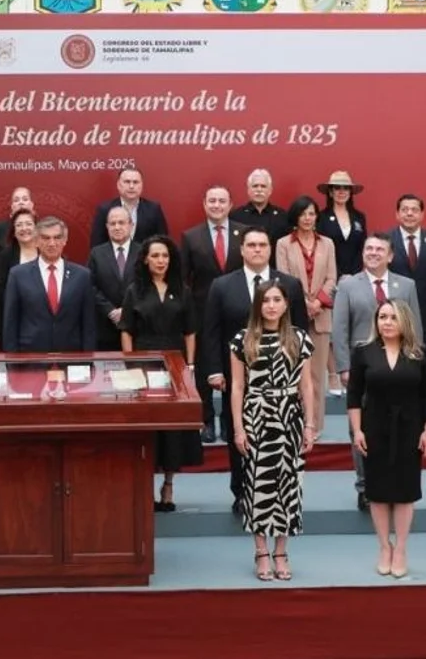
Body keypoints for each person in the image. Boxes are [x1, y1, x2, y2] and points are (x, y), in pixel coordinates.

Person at [201, 228, 309, 512]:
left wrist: (298, 378)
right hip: (238, 377)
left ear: (270, 249)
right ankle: (242, 492)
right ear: (242, 249)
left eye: (263, 244)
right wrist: (214, 369)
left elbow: (300, 332)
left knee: (280, 440)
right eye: (252, 245)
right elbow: (211, 331)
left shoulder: (290, 285)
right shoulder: (222, 285)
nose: (257, 249)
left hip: (282, 379)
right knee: (241, 436)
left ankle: (278, 495)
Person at [229, 281, 317, 582]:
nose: (271, 305)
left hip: (290, 416)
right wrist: (239, 429)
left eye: (277, 299)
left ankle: (281, 551)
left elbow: (307, 385)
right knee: (257, 485)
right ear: (258, 305)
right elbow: (237, 387)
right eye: (265, 300)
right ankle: (261, 551)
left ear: (286, 304)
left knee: (289, 484)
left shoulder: (299, 338)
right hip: (257, 416)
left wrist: (309, 424)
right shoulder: (243, 340)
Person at [346, 300, 426, 578]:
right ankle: (384, 547)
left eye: (392, 317)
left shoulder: (419, 353)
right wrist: (357, 430)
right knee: (378, 492)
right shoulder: (364, 352)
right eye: (382, 317)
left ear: (404, 322)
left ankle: (401, 548)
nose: (386, 322)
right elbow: (354, 394)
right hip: (374, 428)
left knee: (404, 492)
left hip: (409, 429)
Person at [332, 233, 422, 511]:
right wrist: (344, 367)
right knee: (361, 429)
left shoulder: (406, 285)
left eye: (379, 249)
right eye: (368, 249)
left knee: (398, 427)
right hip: (364, 370)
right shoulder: (348, 286)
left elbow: (415, 327)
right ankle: (365, 484)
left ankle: (394, 483)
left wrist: (416, 365)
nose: (373, 253)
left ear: (390, 255)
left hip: (400, 369)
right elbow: (340, 328)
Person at [120, 235, 203, 510]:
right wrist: (130, 365)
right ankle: (145, 485)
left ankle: (168, 484)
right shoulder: (135, 290)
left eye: (165, 256)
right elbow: (127, 331)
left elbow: (190, 331)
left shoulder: (183, 289)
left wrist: (190, 366)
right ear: (145, 259)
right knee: (148, 426)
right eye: (155, 256)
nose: (160, 261)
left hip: (175, 364)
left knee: (171, 428)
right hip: (143, 363)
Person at [179, 184, 247, 443]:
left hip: (237, 313)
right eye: (212, 201)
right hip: (202, 314)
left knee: (235, 368)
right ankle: (206, 420)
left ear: (230, 205)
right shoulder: (190, 237)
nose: (217, 205)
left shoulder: (245, 233)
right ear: (204, 205)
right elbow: (184, 279)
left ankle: (232, 422)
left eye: (222, 201)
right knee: (206, 367)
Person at [276, 196, 338, 423]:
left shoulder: (327, 243)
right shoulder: (283, 244)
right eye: (303, 214)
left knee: (317, 375)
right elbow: (283, 278)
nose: (307, 218)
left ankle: (316, 424)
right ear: (296, 216)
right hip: (293, 316)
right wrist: (304, 304)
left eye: (311, 213)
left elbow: (332, 278)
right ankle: (295, 422)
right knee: (294, 373)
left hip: (321, 316)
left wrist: (318, 303)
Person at [2, 216, 97, 353]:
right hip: (31, 358)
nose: (52, 243)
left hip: (71, 358)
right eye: (46, 238)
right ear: (36, 241)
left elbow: (89, 325)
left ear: (65, 240)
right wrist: (12, 363)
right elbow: (10, 323)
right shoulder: (18, 275)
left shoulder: (82, 276)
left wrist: (88, 361)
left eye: (57, 237)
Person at [388, 194, 426, 352]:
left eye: (414, 210)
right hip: (394, 312)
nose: (409, 214)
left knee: (423, 360)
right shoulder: (387, 240)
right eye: (405, 210)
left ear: (422, 214)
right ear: (397, 214)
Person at [87, 206, 140, 351]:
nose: (117, 227)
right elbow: (90, 287)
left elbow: (147, 285)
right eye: (113, 223)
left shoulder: (143, 252)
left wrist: (126, 310)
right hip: (105, 328)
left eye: (121, 223)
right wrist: (110, 311)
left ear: (131, 225)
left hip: (137, 326)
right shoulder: (97, 253)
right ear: (107, 227)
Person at [89, 167, 169, 246]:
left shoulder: (153, 209)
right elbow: (96, 245)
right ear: (118, 185)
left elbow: (163, 243)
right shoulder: (105, 210)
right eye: (127, 182)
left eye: (135, 182)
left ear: (142, 185)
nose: (131, 186)